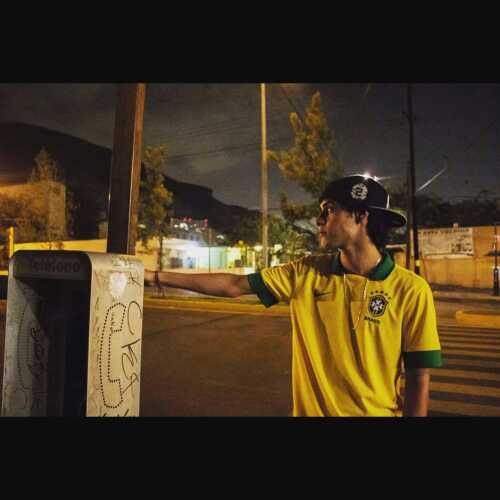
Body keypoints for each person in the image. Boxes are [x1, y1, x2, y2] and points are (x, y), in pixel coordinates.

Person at [144, 175, 443, 417]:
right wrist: (155, 277)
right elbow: (233, 285)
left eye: (329, 209)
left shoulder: (411, 290)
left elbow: (418, 378)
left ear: (360, 215)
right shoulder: (305, 272)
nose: (319, 219)